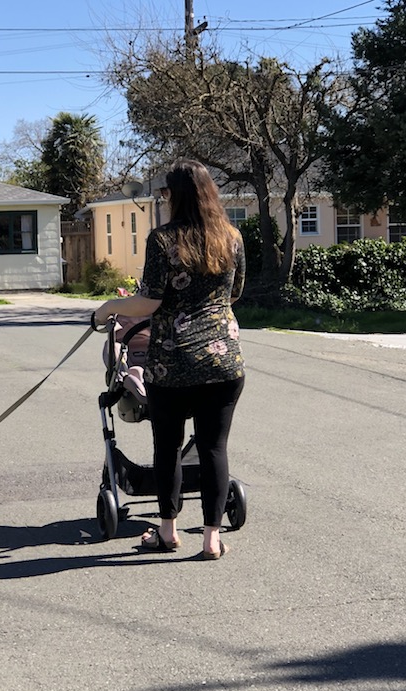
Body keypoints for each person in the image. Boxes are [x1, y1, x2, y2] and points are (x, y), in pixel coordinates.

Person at [94, 159, 246, 560]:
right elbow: (235, 293)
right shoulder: (231, 236)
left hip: (171, 361)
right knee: (214, 448)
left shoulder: (162, 240)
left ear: (175, 195)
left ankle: (167, 532)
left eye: (165, 193)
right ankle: (212, 539)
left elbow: (151, 301)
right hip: (223, 359)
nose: (163, 199)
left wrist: (110, 307)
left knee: (168, 445)